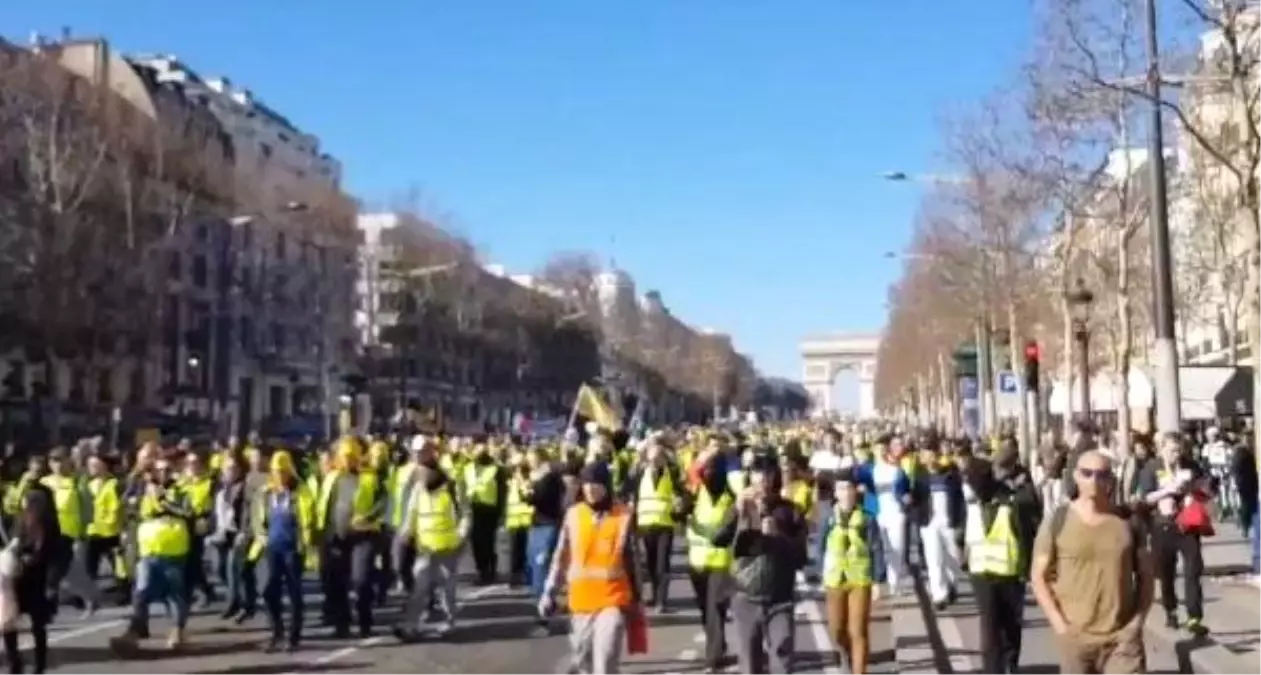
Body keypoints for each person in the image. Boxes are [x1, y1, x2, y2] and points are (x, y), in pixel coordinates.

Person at [1031, 450, 1153, 675]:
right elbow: (1038, 576)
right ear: (1075, 476)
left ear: (1111, 480)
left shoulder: (1128, 522)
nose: (1094, 481)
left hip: (1121, 639)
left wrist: (1136, 623)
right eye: (1087, 474)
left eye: (1102, 475)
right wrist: (1060, 625)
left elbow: (1146, 578)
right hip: (1076, 639)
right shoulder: (1058, 520)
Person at [540, 462, 641, 675]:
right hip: (581, 602)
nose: (590, 489)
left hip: (613, 600)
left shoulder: (623, 516)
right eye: (586, 484)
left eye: (595, 484)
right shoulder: (573, 515)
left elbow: (633, 561)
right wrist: (549, 591)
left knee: (605, 659)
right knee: (584, 659)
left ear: (606, 486)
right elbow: (560, 556)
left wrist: (636, 600)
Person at [729, 455, 807, 675]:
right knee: (749, 664)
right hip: (746, 597)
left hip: (780, 598)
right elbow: (719, 539)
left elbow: (800, 557)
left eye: (767, 474)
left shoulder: (790, 510)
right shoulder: (740, 505)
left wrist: (779, 537)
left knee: (782, 659)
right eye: (756, 474)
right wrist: (736, 511)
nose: (762, 480)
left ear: (775, 478)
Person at [965, 447, 1040, 675]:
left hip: (1010, 573)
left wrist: (1029, 569)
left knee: (1011, 626)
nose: (973, 487)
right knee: (989, 630)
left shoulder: (1013, 499)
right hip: (981, 574)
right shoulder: (972, 501)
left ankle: (1010, 665)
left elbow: (1029, 531)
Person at [1138, 431, 1211, 635]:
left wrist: (1195, 493)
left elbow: (1205, 487)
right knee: (1166, 573)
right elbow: (1146, 498)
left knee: (1193, 569)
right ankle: (1170, 610)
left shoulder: (1190, 465)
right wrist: (1168, 490)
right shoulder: (1151, 468)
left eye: (1179, 450)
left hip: (1187, 525)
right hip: (1163, 526)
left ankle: (1194, 617)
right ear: (1162, 449)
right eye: (1171, 450)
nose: (1176, 455)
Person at [249, 451, 314, 652]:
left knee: (295, 593)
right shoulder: (265, 493)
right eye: (276, 471)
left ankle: (293, 637)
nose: (279, 475)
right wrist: (261, 535)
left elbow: (308, 518)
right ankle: (277, 631)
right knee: (269, 591)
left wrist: (307, 543)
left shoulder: (300, 492)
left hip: (293, 549)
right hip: (271, 548)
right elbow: (256, 517)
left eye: (283, 471)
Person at [684, 447, 739, 674]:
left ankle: (712, 659)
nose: (709, 474)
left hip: (721, 563)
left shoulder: (731, 496)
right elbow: (690, 475)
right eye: (706, 470)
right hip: (697, 563)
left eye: (713, 470)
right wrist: (704, 455)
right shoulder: (696, 492)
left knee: (715, 608)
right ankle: (718, 644)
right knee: (705, 610)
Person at [2, 472, 61, 675]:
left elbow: (53, 556)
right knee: (9, 623)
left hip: (39, 580)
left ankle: (39, 665)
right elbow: (13, 544)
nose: (29, 506)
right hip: (19, 579)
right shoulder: (20, 522)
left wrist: (52, 585)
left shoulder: (50, 526)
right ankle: (14, 662)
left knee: (38, 625)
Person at [821, 471, 875, 675]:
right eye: (842, 489)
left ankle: (859, 670)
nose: (846, 494)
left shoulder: (867, 519)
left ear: (855, 491)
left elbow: (876, 548)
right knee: (837, 631)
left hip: (860, 580)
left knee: (858, 630)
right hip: (834, 580)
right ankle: (847, 653)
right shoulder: (828, 518)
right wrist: (820, 573)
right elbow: (820, 548)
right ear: (835, 493)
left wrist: (877, 580)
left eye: (849, 489)